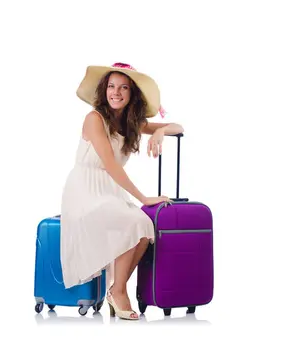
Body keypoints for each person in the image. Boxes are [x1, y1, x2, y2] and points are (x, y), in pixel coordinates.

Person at [60, 62, 184, 320]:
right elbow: (111, 165)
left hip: (110, 192)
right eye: (111, 87)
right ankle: (119, 292)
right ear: (104, 90)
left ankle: (116, 290)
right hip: (85, 190)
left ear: (132, 93)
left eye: (123, 87)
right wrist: (143, 197)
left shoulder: (131, 122)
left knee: (143, 225)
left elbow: (179, 127)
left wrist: (159, 130)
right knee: (132, 220)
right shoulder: (94, 119)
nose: (116, 93)